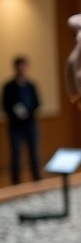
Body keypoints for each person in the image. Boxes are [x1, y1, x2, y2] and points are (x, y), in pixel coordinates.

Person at [3, 56, 42, 184]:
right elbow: (4, 105)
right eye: (20, 66)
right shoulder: (8, 86)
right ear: (15, 67)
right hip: (15, 126)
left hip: (30, 124)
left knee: (34, 154)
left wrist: (28, 111)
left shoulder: (31, 85)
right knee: (16, 155)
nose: (22, 68)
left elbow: (38, 103)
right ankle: (16, 182)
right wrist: (15, 111)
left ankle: (37, 180)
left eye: (24, 66)